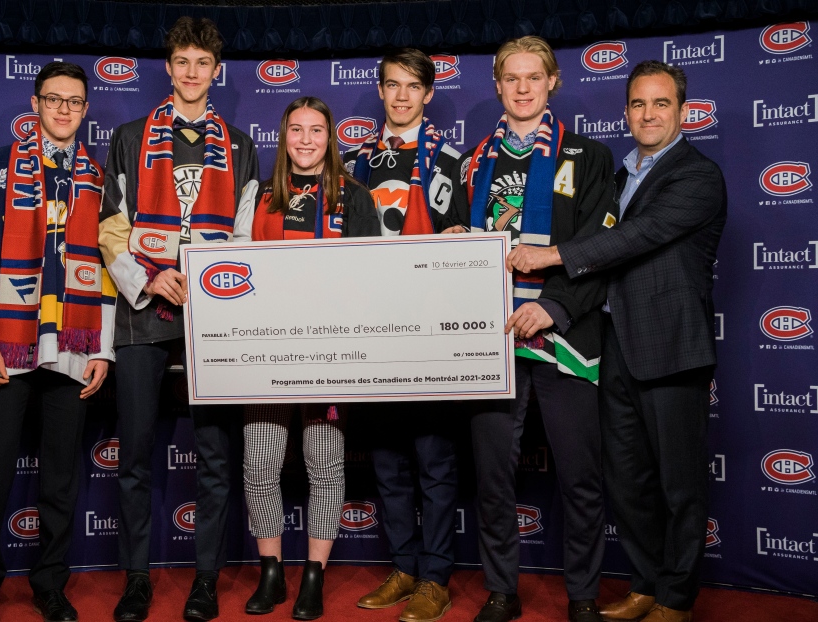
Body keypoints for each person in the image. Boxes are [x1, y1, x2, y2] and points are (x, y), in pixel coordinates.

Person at [506, 61, 726, 622]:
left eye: (660, 104)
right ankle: (646, 583)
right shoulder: (620, 174)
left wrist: (552, 256)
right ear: (626, 109)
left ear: (682, 110)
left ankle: (676, 598)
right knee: (627, 482)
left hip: (672, 349)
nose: (648, 114)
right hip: (613, 347)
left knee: (679, 485)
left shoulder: (697, 176)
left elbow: (635, 236)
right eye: (638, 104)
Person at [0, 61, 114, 622]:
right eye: (54, 99)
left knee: (60, 475)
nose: (64, 110)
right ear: (35, 104)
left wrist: (102, 349)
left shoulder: (99, 178)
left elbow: (109, 268)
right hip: (6, 346)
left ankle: (50, 583)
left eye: (75, 102)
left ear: (86, 110)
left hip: (71, 345)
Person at [448, 35, 618, 622]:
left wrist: (555, 307)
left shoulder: (589, 158)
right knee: (493, 479)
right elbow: (451, 247)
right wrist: (446, 248)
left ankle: (584, 596)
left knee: (581, 478)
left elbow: (601, 250)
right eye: (511, 78)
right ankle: (502, 588)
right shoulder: (472, 161)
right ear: (496, 84)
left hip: (564, 339)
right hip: (490, 339)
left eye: (533, 78)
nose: (522, 88)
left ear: (553, 83)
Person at [97, 16, 259, 622]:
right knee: (135, 453)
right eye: (182, 63)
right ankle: (136, 578)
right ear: (168, 68)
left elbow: (243, 237)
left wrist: (213, 286)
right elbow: (110, 228)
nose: (192, 73)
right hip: (143, 310)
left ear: (216, 72)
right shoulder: (129, 136)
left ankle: (206, 579)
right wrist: (150, 276)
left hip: (210, 316)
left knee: (216, 457)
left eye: (203, 64)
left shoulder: (240, 145)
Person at [242, 96, 379, 621]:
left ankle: (314, 575)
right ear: (284, 138)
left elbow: (369, 282)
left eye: (315, 131)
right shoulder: (261, 200)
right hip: (267, 355)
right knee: (260, 465)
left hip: (330, 356)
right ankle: (272, 573)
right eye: (295, 130)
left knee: (325, 467)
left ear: (329, 138)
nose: (305, 140)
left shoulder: (357, 198)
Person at [342, 48, 462, 622]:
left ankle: (436, 576)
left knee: (434, 460)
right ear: (382, 91)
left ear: (429, 93)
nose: (402, 96)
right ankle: (405, 566)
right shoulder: (354, 163)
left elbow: (464, 241)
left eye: (413, 86)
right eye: (392, 85)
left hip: (429, 332)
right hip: (372, 331)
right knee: (388, 461)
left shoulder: (452, 160)